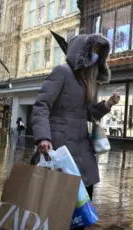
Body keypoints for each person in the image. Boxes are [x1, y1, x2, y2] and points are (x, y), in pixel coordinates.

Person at [31, 33, 119, 230]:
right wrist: (43, 137)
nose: (95, 59)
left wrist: (107, 104)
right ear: (82, 54)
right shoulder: (62, 72)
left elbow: (90, 114)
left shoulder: (90, 83)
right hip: (59, 146)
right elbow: (41, 106)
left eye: (99, 55)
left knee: (83, 200)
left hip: (82, 149)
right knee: (59, 203)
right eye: (93, 54)